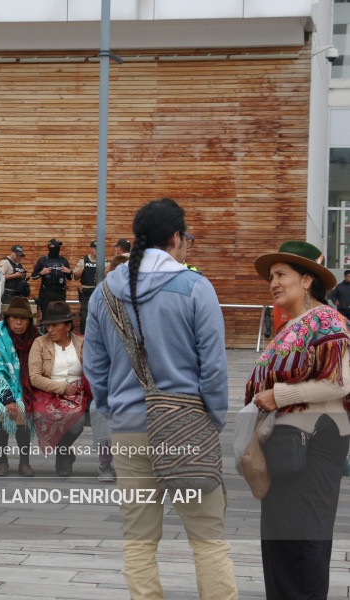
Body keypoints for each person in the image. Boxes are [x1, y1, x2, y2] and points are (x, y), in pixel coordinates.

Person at [84, 197, 236, 600]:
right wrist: (212, 419)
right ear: (175, 238)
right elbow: (214, 368)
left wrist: (114, 409)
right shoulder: (195, 287)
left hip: (129, 430)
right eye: (187, 239)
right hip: (187, 429)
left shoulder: (104, 294)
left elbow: (94, 367)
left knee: (138, 540)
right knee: (208, 540)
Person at [248, 241, 350, 599]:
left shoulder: (327, 319)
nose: (273, 282)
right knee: (281, 545)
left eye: (281, 275)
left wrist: (281, 395)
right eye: (271, 277)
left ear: (307, 280)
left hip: (315, 440)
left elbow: (341, 381)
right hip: (288, 443)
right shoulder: (294, 325)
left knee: (302, 543)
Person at [0, 296, 38, 477]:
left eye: (23, 319)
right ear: (7, 319)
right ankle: (2, 461)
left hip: (26, 387)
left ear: (29, 321)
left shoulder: (36, 337)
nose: (19, 323)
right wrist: (7, 399)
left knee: (24, 409)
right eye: (14, 318)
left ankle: (24, 462)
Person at [28, 301, 87, 476]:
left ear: (68, 326)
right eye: (48, 326)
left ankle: (63, 449)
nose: (50, 330)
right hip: (48, 392)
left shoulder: (82, 342)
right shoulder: (40, 343)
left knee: (77, 420)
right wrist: (62, 388)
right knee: (43, 414)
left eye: (56, 325)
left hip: (78, 392)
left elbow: (93, 371)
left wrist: (76, 388)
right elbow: (34, 377)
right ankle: (64, 456)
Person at [31, 239, 72, 320]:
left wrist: (69, 271)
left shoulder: (63, 260)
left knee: (60, 318)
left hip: (60, 294)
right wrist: (41, 273)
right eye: (55, 246)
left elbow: (70, 278)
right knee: (46, 318)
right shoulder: (42, 260)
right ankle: (45, 332)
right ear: (50, 247)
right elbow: (33, 276)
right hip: (46, 294)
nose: (57, 248)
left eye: (58, 246)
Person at [74, 240, 98, 333]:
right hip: (87, 293)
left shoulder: (104, 261)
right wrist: (83, 269)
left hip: (98, 292)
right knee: (84, 316)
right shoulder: (83, 260)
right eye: (96, 249)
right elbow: (75, 276)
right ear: (91, 249)